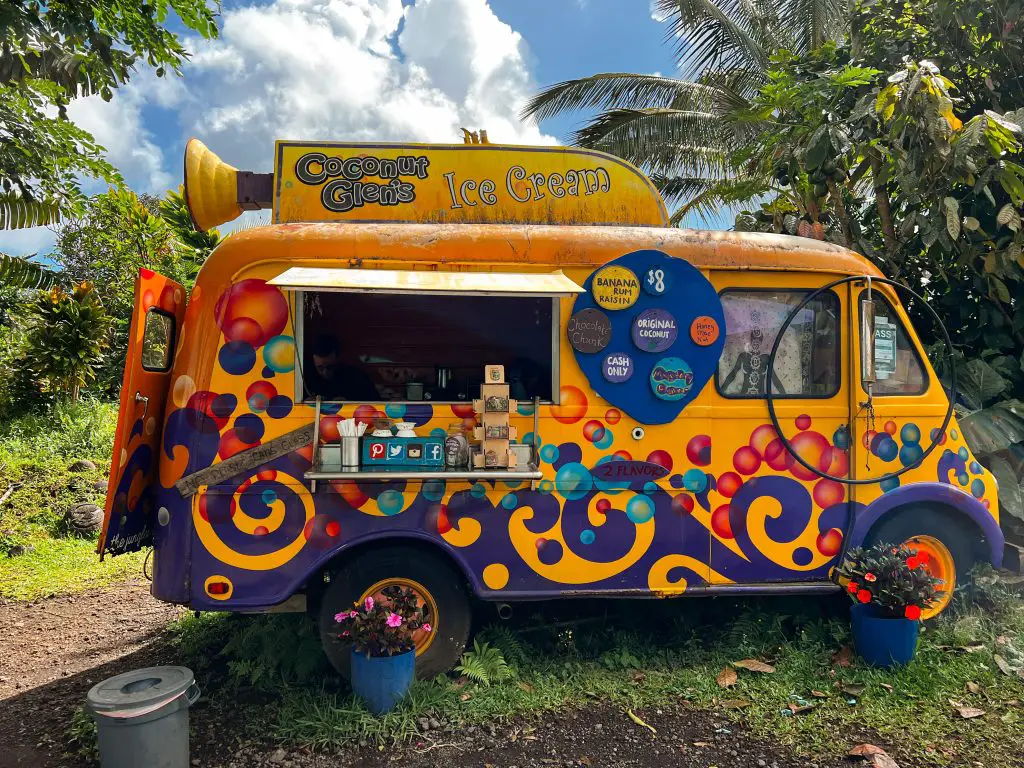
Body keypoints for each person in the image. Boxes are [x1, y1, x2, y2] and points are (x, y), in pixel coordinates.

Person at [305, 334, 380, 401]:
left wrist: (350, 403)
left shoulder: (356, 377)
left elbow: (376, 403)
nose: (325, 372)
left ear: (338, 359)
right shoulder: (304, 378)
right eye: (320, 368)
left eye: (330, 367)